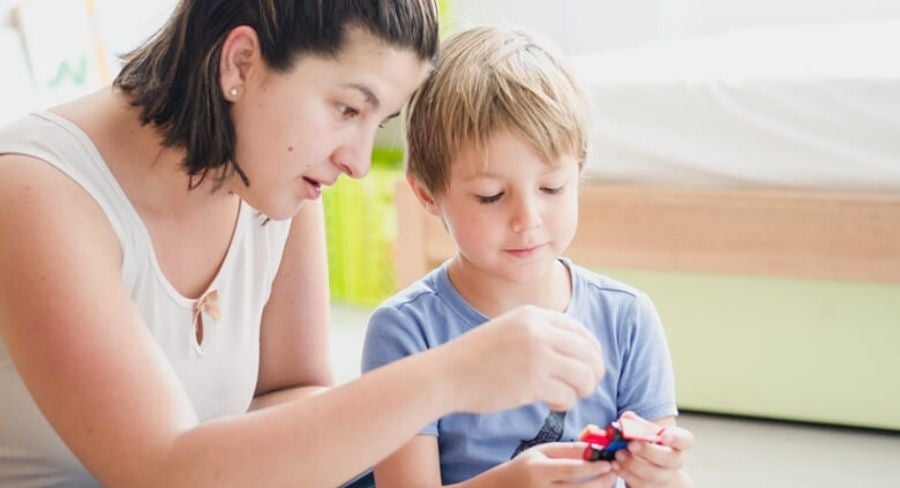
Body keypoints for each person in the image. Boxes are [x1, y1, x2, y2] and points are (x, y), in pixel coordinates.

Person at [0, 3, 608, 487]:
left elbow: (294, 395)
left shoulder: (271, 177)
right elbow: (162, 471)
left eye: (378, 122)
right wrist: (448, 376)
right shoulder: (37, 189)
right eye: (347, 108)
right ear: (240, 64)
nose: (359, 161)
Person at [362, 26, 695, 488]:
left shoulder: (627, 317)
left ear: (578, 172)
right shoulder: (405, 331)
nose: (527, 219)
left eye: (552, 188)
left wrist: (663, 475)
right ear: (426, 193)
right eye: (490, 195)